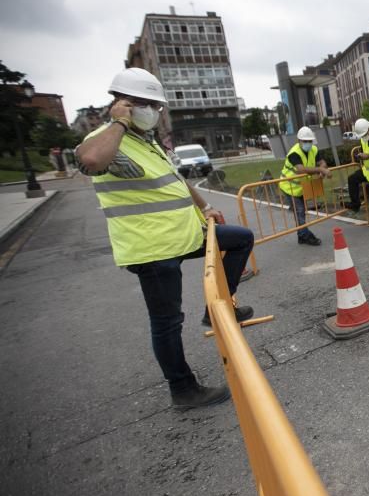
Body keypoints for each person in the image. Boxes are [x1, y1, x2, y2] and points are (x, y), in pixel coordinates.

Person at [76, 67, 255, 410]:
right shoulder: (108, 140)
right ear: (123, 104)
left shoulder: (148, 143)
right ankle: (183, 389)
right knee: (167, 321)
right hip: (152, 249)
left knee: (240, 238)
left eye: (157, 107)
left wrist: (206, 208)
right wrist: (119, 124)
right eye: (147, 105)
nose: (155, 113)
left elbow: (177, 181)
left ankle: (215, 310)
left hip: (184, 234)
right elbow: (90, 160)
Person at [278, 126, 331, 246]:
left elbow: (322, 162)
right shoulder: (294, 153)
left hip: (301, 187)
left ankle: (301, 236)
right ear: (299, 141)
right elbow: (301, 169)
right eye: (305, 141)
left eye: (309, 141)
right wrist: (320, 170)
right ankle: (306, 236)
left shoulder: (314, 149)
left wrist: (323, 168)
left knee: (300, 211)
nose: (308, 143)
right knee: (300, 211)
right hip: (289, 187)